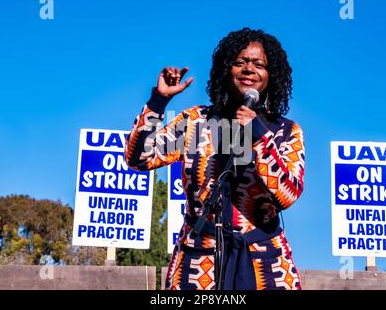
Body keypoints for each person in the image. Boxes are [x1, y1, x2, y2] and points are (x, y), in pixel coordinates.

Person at [124, 27, 305, 290]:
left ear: (271, 75)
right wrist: (159, 100)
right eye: (239, 62)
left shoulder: (285, 131)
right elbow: (138, 157)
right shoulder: (195, 122)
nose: (248, 70)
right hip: (197, 264)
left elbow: (288, 193)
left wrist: (259, 136)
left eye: (259, 64)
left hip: (266, 266)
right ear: (225, 70)